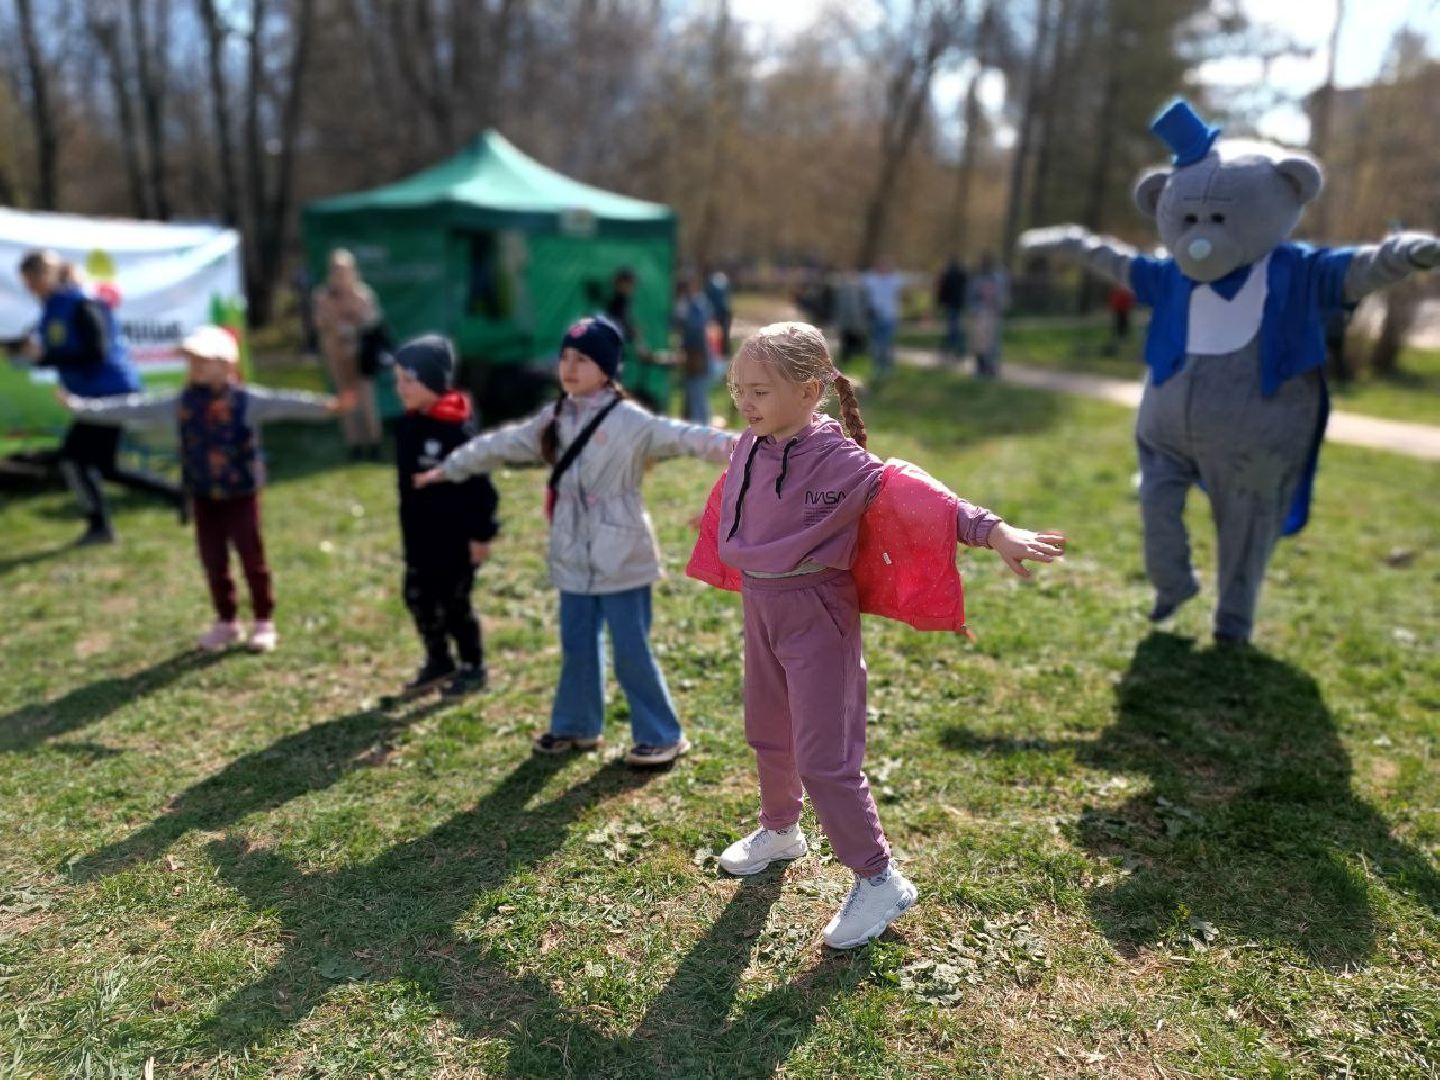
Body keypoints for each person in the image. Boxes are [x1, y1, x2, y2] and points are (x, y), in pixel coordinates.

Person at [710, 321, 1065, 948]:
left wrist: (994, 531)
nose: (745, 401)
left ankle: (879, 880)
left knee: (826, 758)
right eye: (739, 388)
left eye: (759, 390)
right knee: (768, 730)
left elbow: (921, 498)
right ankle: (780, 829)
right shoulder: (754, 441)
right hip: (761, 605)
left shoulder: (840, 459)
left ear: (809, 389)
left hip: (815, 613)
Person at [415, 316, 736, 767]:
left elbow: (688, 438)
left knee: (631, 650)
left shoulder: (629, 421)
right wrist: (450, 467)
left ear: (607, 368)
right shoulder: (556, 416)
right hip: (571, 553)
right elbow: (502, 444)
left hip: (622, 554)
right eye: (565, 356)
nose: (569, 366)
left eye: (582, 359)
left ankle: (662, 734)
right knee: (577, 645)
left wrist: (745, 444)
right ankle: (577, 726)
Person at [59, 326, 354, 653]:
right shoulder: (181, 403)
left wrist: (329, 406)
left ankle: (263, 620)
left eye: (204, 360)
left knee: (250, 554)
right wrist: (81, 407)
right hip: (202, 494)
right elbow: (133, 408)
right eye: (191, 361)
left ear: (227, 364)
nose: (196, 367)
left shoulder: (247, 400)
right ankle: (227, 622)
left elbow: (287, 402)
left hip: (240, 493)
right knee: (213, 559)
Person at [16, 249, 183, 545]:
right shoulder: (51, 309)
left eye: (32, 280)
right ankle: (178, 495)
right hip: (89, 394)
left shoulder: (83, 304)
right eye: (25, 282)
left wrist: (45, 358)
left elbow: (97, 351)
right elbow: (52, 350)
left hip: (110, 393)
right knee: (103, 466)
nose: (30, 288)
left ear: (48, 275)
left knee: (74, 460)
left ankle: (100, 527)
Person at [390, 335, 500, 699]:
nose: (399, 388)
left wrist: (481, 536)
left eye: (409, 380)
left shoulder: (456, 430)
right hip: (420, 536)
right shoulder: (409, 425)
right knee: (417, 595)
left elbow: (481, 489)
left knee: (455, 603)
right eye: (397, 380)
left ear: (434, 381)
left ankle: (473, 665)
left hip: (455, 540)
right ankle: (439, 660)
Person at [313, 249, 383, 461]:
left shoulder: (363, 294)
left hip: (361, 356)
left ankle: (374, 442)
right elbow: (320, 323)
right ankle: (355, 445)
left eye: (344, 271)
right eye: (336, 271)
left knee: (368, 399)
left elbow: (373, 321)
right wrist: (337, 326)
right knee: (346, 399)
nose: (340, 275)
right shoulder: (322, 296)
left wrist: (354, 325)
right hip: (337, 355)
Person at [674, 275, 716, 426]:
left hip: (698, 354)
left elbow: (696, 326)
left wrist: (682, 321)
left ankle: (704, 429)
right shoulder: (690, 303)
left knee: (698, 394)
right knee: (693, 394)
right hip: (692, 353)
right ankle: (698, 428)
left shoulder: (697, 304)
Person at [861, 256, 905, 380]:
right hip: (874, 316)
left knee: (886, 344)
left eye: (886, 266)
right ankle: (877, 368)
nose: (883, 269)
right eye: (881, 266)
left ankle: (887, 369)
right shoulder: (870, 279)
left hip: (889, 316)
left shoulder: (894, 280)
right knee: (875, 344)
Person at [969, 251, 1009, 378]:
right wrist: (975, 310)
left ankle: (991, 367)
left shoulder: (997, 279)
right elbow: (972, 296)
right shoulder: (977, 279)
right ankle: (980, 367)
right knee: (980, 342)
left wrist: (999, 307)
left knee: (993, 343)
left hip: (992, 313)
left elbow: (1001, 296)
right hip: (981, 313)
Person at [831, 270, 868, 368]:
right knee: (847, 343)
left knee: (851, 343)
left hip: (852, 322)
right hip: (849, 322)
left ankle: (850, 362)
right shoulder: (845, 289)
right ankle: (847, 363)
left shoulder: (858, 289)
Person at [935, 256, 969, 361]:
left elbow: (942, 290)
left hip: (952, 305)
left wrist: (940, 303)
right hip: (958, 305)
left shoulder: (948, 275)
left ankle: (952, 350)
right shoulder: (961, 275)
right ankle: (957, 351)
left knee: (953, 329)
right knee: (956, 328)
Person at [705, 268, 734, 355]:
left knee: (718, 332)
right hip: (724, 310)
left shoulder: (712, 282)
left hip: (718, 311)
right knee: (723, 331)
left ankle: (721, 350)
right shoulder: (723, 280)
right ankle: (724, 350)